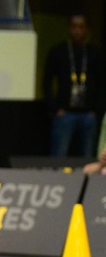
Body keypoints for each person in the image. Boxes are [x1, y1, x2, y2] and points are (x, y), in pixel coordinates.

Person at [43, 14, 106, 158]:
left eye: (81, 27)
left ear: (87, 29)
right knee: (59, 156)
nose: (77, 31)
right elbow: (46, 82)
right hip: (64, 113)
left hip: (88, 115)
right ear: (69, 28)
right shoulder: (58, 52)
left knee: (88, 157)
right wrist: (55, 108)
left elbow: (102, 84)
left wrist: (96, 110)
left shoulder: (94, 54)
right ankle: (56, 181)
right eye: (74, 27)